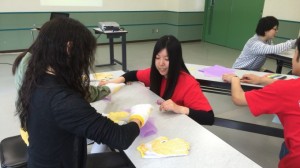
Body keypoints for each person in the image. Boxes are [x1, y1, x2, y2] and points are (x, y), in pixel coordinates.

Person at [14, 17, 149, 168]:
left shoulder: (36, 78)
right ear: (69, 48)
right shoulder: (62, 100)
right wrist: (138, 117)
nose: (84, 61)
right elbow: (120, 138)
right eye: (84, 54)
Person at [222, 38, 300, 167]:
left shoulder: (284, 90)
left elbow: (239, 98)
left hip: (295, 161)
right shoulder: (256, 41)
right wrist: (261, 80)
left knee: (287, 148)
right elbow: (291, 86)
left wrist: (234, 79)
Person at [103, 35, 214, 125]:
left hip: (178, 128)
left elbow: (209, 118)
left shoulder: (188, 83)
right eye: (157, 58)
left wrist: (179, 108)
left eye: (167, 59)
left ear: (176, 60)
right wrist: (111, 82)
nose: (161, 63)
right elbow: (132, 74)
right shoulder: (155, 74)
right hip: (161, 124)